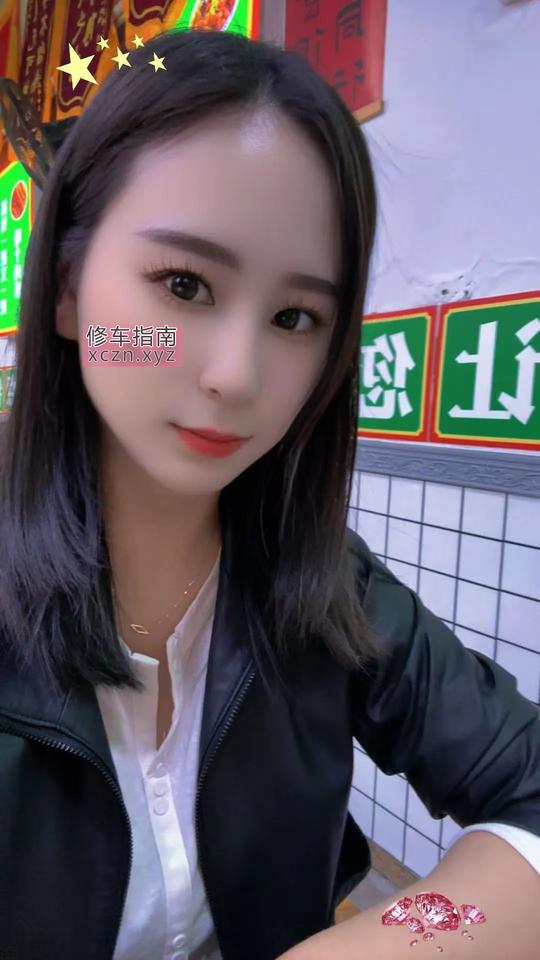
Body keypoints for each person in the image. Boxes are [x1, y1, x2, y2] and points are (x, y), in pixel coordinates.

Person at [0, 28, 538, 960]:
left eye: (296, 316)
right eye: (183, 285)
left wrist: (383, 946)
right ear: (69, 292)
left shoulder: (323, 584)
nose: (238, 374)